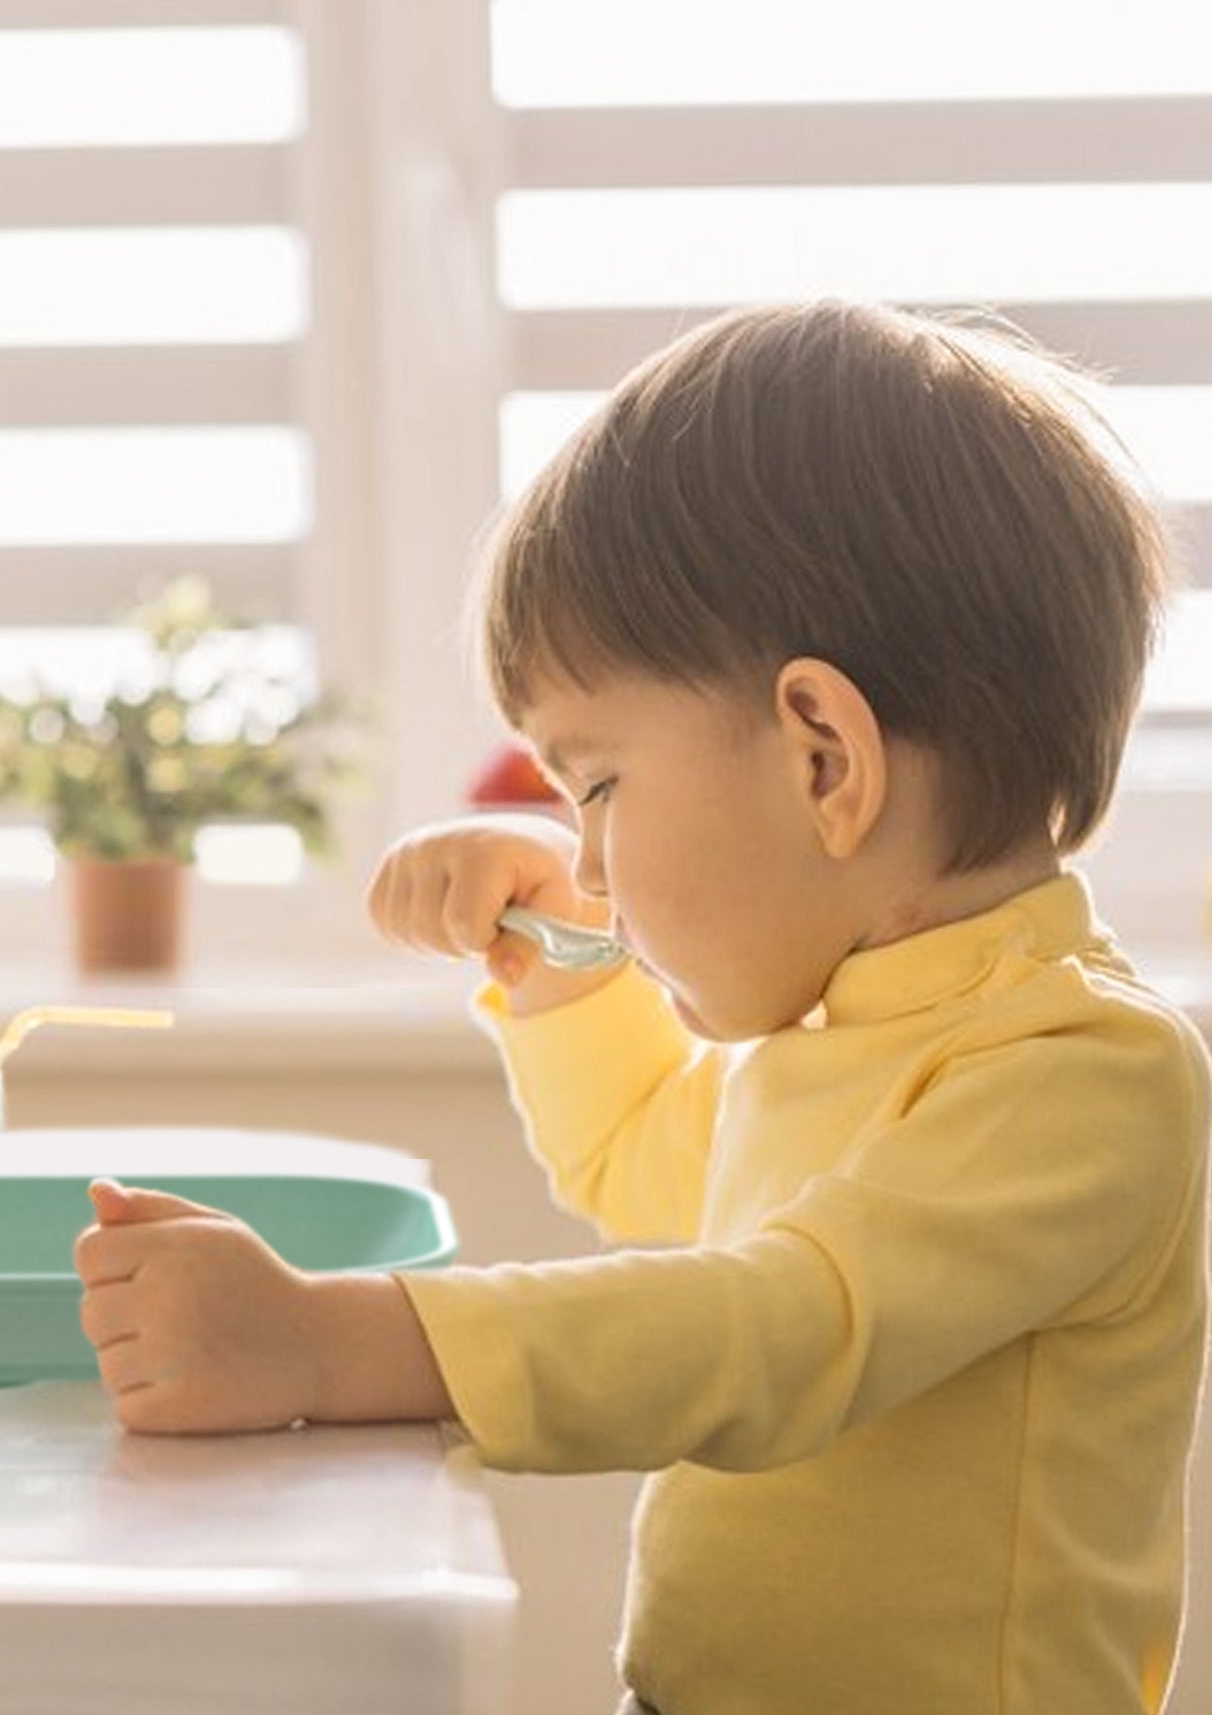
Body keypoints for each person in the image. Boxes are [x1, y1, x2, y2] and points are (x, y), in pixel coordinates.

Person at [77, 301, 1210, 1715]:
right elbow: (653, 1167)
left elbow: (785, 1324)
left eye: (598, 784)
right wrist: (553, 969)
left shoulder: (1084, 1075)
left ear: (823, 762)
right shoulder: (851, 1029)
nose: (592, 860)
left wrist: (343, 1341)